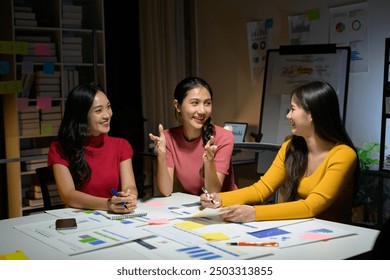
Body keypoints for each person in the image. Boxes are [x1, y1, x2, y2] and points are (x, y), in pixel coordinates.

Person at [200, 80, 360, 224]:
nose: (288, 115)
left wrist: (254, 213)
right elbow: (261, 189)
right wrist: (220, 199)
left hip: (335, 236)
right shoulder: (291, 147)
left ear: (311, 114)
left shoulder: (343, 154)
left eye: (292, 109)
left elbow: (311, 206)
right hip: (299, 229)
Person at [47, 84, 138, 214]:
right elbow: (68, 195)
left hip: (115, 218)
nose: (107, 115)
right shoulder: (59, 148)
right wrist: (108, 204)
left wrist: (130, 196)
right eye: (98, 110)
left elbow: (130, 185)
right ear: (82, 116)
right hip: (81, 220)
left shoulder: (121, 145)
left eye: (108, 107)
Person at [149, 76, 238, 196]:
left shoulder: (224, 137)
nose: (202, 111)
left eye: (207, 103)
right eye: (195, 103)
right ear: (177, 105)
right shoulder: (168, 138)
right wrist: (161, 154)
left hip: (227, 207)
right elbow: (166, 190)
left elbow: (213, 192)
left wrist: (209, 162)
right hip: (195, 207)